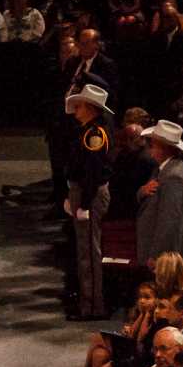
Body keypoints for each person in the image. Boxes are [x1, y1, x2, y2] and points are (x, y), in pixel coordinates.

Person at [63, 83, 115, 321]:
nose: (76, 110)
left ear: (91, 108)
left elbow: (92, 172)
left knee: (90, 252)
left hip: (90, 195)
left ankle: (93, 305)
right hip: (83, 192)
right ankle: (88, 301)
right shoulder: (87, 131)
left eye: (80, 106)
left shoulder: (95, 134)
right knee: (84, 250)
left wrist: (84, 203)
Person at [133, 121, 183, 269]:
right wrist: (142, 191)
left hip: (166, 254)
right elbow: (145, 194)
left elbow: (169, 221)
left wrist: (156, 255)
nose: (150, 150)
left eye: (152, 145)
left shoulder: (173, 176)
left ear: (164, 148)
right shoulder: (162, 169)